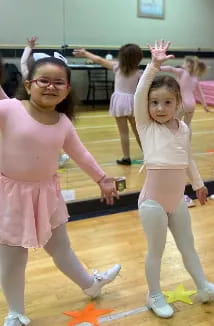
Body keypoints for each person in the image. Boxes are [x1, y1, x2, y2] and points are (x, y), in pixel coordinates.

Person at [0, 56, 121, 326]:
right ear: (29, 84)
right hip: (11, 196)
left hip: (46, 195)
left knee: (61, 249)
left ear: (67, 90)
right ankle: (16, 312)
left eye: (58, 83)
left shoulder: (62, 122)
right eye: (43, 80)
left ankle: (91, 285)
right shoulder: (8, 109)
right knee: (13, 257)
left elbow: (81, 155)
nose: (50, 87)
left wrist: (102, 179)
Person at [134, 40, 214, 319]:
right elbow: (140, 92)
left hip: (177, 200)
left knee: (188, 246)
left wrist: (198, 184)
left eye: (167, 102)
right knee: (156, 251)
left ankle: (204, 287)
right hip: (152, 203)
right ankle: (154, 295)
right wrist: (153, 65)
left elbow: (187, 159)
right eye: (154, 103)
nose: (160, 108)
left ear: (178, 104)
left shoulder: (183, 128)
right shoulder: (146, 125)